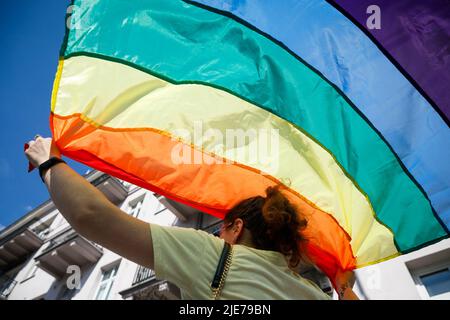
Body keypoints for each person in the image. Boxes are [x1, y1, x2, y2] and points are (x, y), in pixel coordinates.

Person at [24, 135, 359, 300]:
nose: (215, 237)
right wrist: (343, 286)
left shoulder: (211, 255)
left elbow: (90, 215)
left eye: (220, 231)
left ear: (236, 228)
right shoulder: (310, 292)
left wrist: (48, 161)